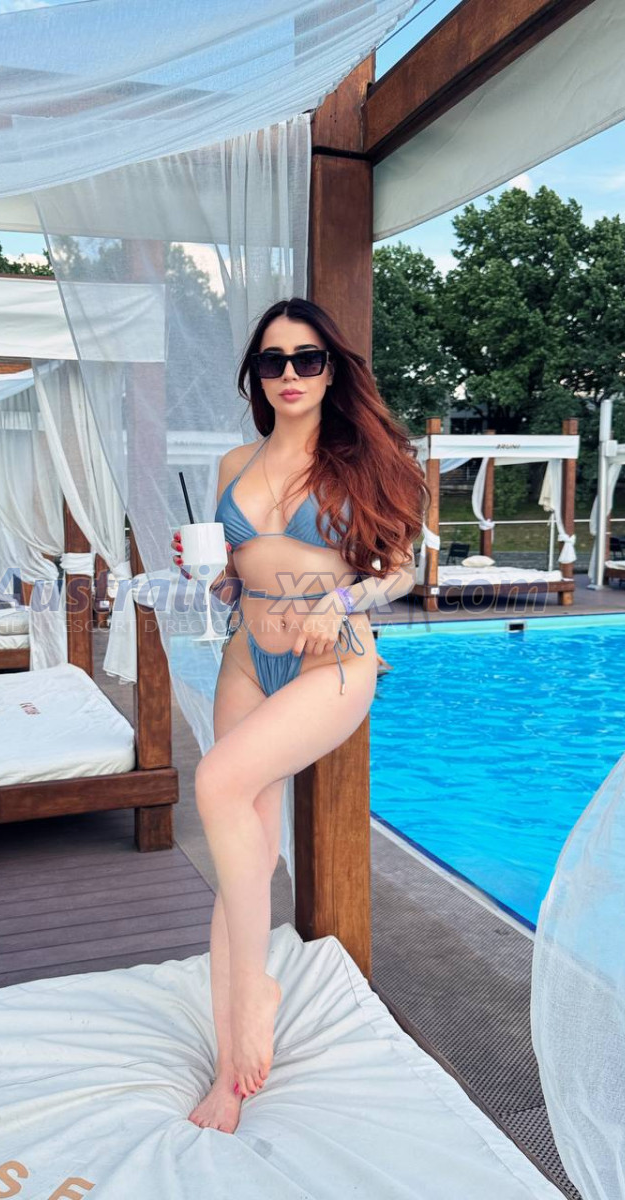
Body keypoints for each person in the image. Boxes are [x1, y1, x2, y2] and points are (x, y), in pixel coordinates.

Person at [171, 297, 428, 1133]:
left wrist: (342, 599)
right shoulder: (232, 463)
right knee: (243, 848)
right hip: (249, 653)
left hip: (335, 655)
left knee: (216, 783)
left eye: (306, 358)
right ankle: (230, 1063)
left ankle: (253, 992)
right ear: (256, 375)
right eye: (272, 361)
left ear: (331, 369)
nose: (289, 374)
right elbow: (238, 569)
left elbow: (403, 570)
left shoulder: (368, 459)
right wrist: (217, 573)